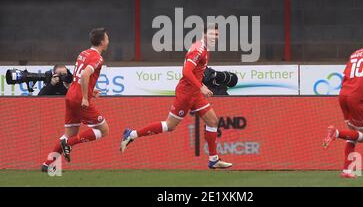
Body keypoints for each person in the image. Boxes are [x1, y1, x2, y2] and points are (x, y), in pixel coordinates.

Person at [120, 24, 232, 169]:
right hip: (186, 93)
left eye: (216, 35)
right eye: (212, 34)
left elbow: (197, 71)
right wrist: (201, 86)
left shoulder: (204, 48)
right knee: (170, 125)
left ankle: (213, 159)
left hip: (195, 94)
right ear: (204, 34)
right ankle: (132, 134)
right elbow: (186, 72)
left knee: (212, 121)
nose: (214, 37)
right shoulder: (198, 49)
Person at [41, 28, 110, 172]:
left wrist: (90, 91)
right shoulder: (98, 58)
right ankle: (69, 144)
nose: (108, 40)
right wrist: (85, 97)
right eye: (107, 38)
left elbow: (79, 77)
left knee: (70, 133)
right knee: (103, 130)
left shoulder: (83, 53)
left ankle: (47, 164)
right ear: (102, 41)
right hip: (79, 99)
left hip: (71, 95)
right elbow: (85, 75)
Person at [322, 30, 363, 178]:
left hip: (344, 95)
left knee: (352, 136)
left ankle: (346, 171)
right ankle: (335, 133)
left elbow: (350, 76)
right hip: (357, 99)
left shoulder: (354, 54)